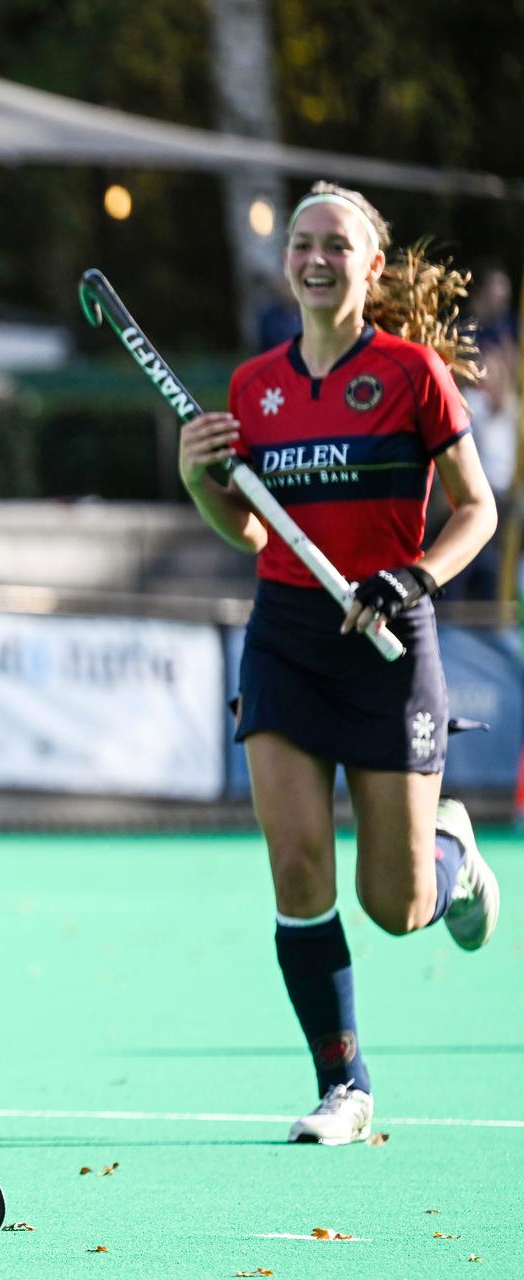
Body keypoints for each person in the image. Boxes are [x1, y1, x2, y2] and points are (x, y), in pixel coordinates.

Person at [179, 182, 502, 1147]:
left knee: (396, 907)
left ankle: (456, 855)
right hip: (286, 634)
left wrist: (418, 577)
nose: (315, 259)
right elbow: (245, 530)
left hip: (389, 643)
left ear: (372, 265)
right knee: (296, 868)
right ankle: (345, 1087)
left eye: (336, 246)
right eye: (301, 243)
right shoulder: (254, 386)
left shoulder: (410, 375)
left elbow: (476, 508)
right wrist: (199, 475)